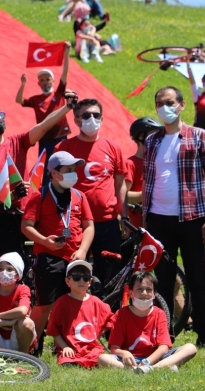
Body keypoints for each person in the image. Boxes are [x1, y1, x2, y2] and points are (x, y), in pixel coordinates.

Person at [143, 86, 205, 348]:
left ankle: (204, 334)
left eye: (170, 102)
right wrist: (145, 218)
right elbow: (148, 181)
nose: (165, 107)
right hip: (158, 219)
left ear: (182, 105)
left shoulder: (199, 136)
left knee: (197, 277)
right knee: (162, 280)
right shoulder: (152, 141)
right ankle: (166, 333)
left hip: (192, 218)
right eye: (160, 103)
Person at [0, 97, 73, 283]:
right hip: (3, 220)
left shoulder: (18, 142)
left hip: (30, 216)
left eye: (0, 114)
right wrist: (11, 196)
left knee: (33, 269)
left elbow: (43, 127)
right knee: (2, 271)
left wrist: (67, 107)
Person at [23, 151, 95, 342]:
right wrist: (45, 241)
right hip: (48, 257)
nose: (73, 173)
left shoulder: (80, 196)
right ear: (54, 173)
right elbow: (26, 226)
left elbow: (89, 226)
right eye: (68, 170)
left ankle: (67, 345)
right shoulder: (40, 196)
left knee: (72, 304)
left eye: (74, 169)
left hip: (75, 258)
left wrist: (82, 251)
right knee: (44, 305)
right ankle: (30, 346)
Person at [56, 98, 129, 283]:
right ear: (76, 120)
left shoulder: (113, 148)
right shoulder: (64, 148)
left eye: (96, 115)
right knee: (71, 271)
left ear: (102, 118)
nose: (91, 119)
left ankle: (107, 310)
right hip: (73, 223)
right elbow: (52, 185)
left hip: (108, 222)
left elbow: (120, 185)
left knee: (111, 274)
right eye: (86, 115)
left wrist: (125, 217)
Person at [99, 271, 197, 372]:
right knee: (103, 358)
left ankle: (152, 369)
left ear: (154, 294)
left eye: (149, 290)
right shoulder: (120, 314)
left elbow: (164, 347)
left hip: (155, 358)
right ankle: (140, 370)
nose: (144, 293)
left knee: (190, 348)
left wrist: (148, 361)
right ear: (131, 293)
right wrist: (124, 353)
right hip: (130, 360)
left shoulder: (159, 314)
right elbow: (114, 348)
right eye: (139, 289)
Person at [46, 260, 112, 368]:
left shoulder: (96, 301)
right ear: (68, 281)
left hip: (91, 349)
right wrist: (65, 347)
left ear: (90, 282)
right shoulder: (62, 302)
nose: (81, 281)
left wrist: (98, 333)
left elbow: (110, 319)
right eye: (76, 277)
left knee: (102, 359)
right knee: (67, 362)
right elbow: (54, 330)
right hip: (70, 348)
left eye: (85, 278)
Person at [15, 41, 72, 158]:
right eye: (42, 80)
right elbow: (19, 100)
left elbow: (65, 72)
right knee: (45, 171)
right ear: (38, 83)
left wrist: (67, 53)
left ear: (53, 81)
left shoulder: (59, 93)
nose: (45, 82)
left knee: (62, 168)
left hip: (60, 137)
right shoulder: (35, 100)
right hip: (44, 138)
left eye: (47, 79)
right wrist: (23, 84)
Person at [0, 252, 36, 352]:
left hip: (16, 338)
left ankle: (22, 357)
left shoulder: (23, 289)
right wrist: (8, 322)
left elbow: (22, 311)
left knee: (26, 323)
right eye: (0, 269)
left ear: (18, 275)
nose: (4, 272)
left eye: (9, 269)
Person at [124, 117, 163, 230]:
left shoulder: (160, 163)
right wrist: (148, 194)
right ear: (141, 137)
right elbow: (122, 196)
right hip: (135, 228)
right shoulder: (130, 164)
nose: (159, 139)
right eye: (155, 135)